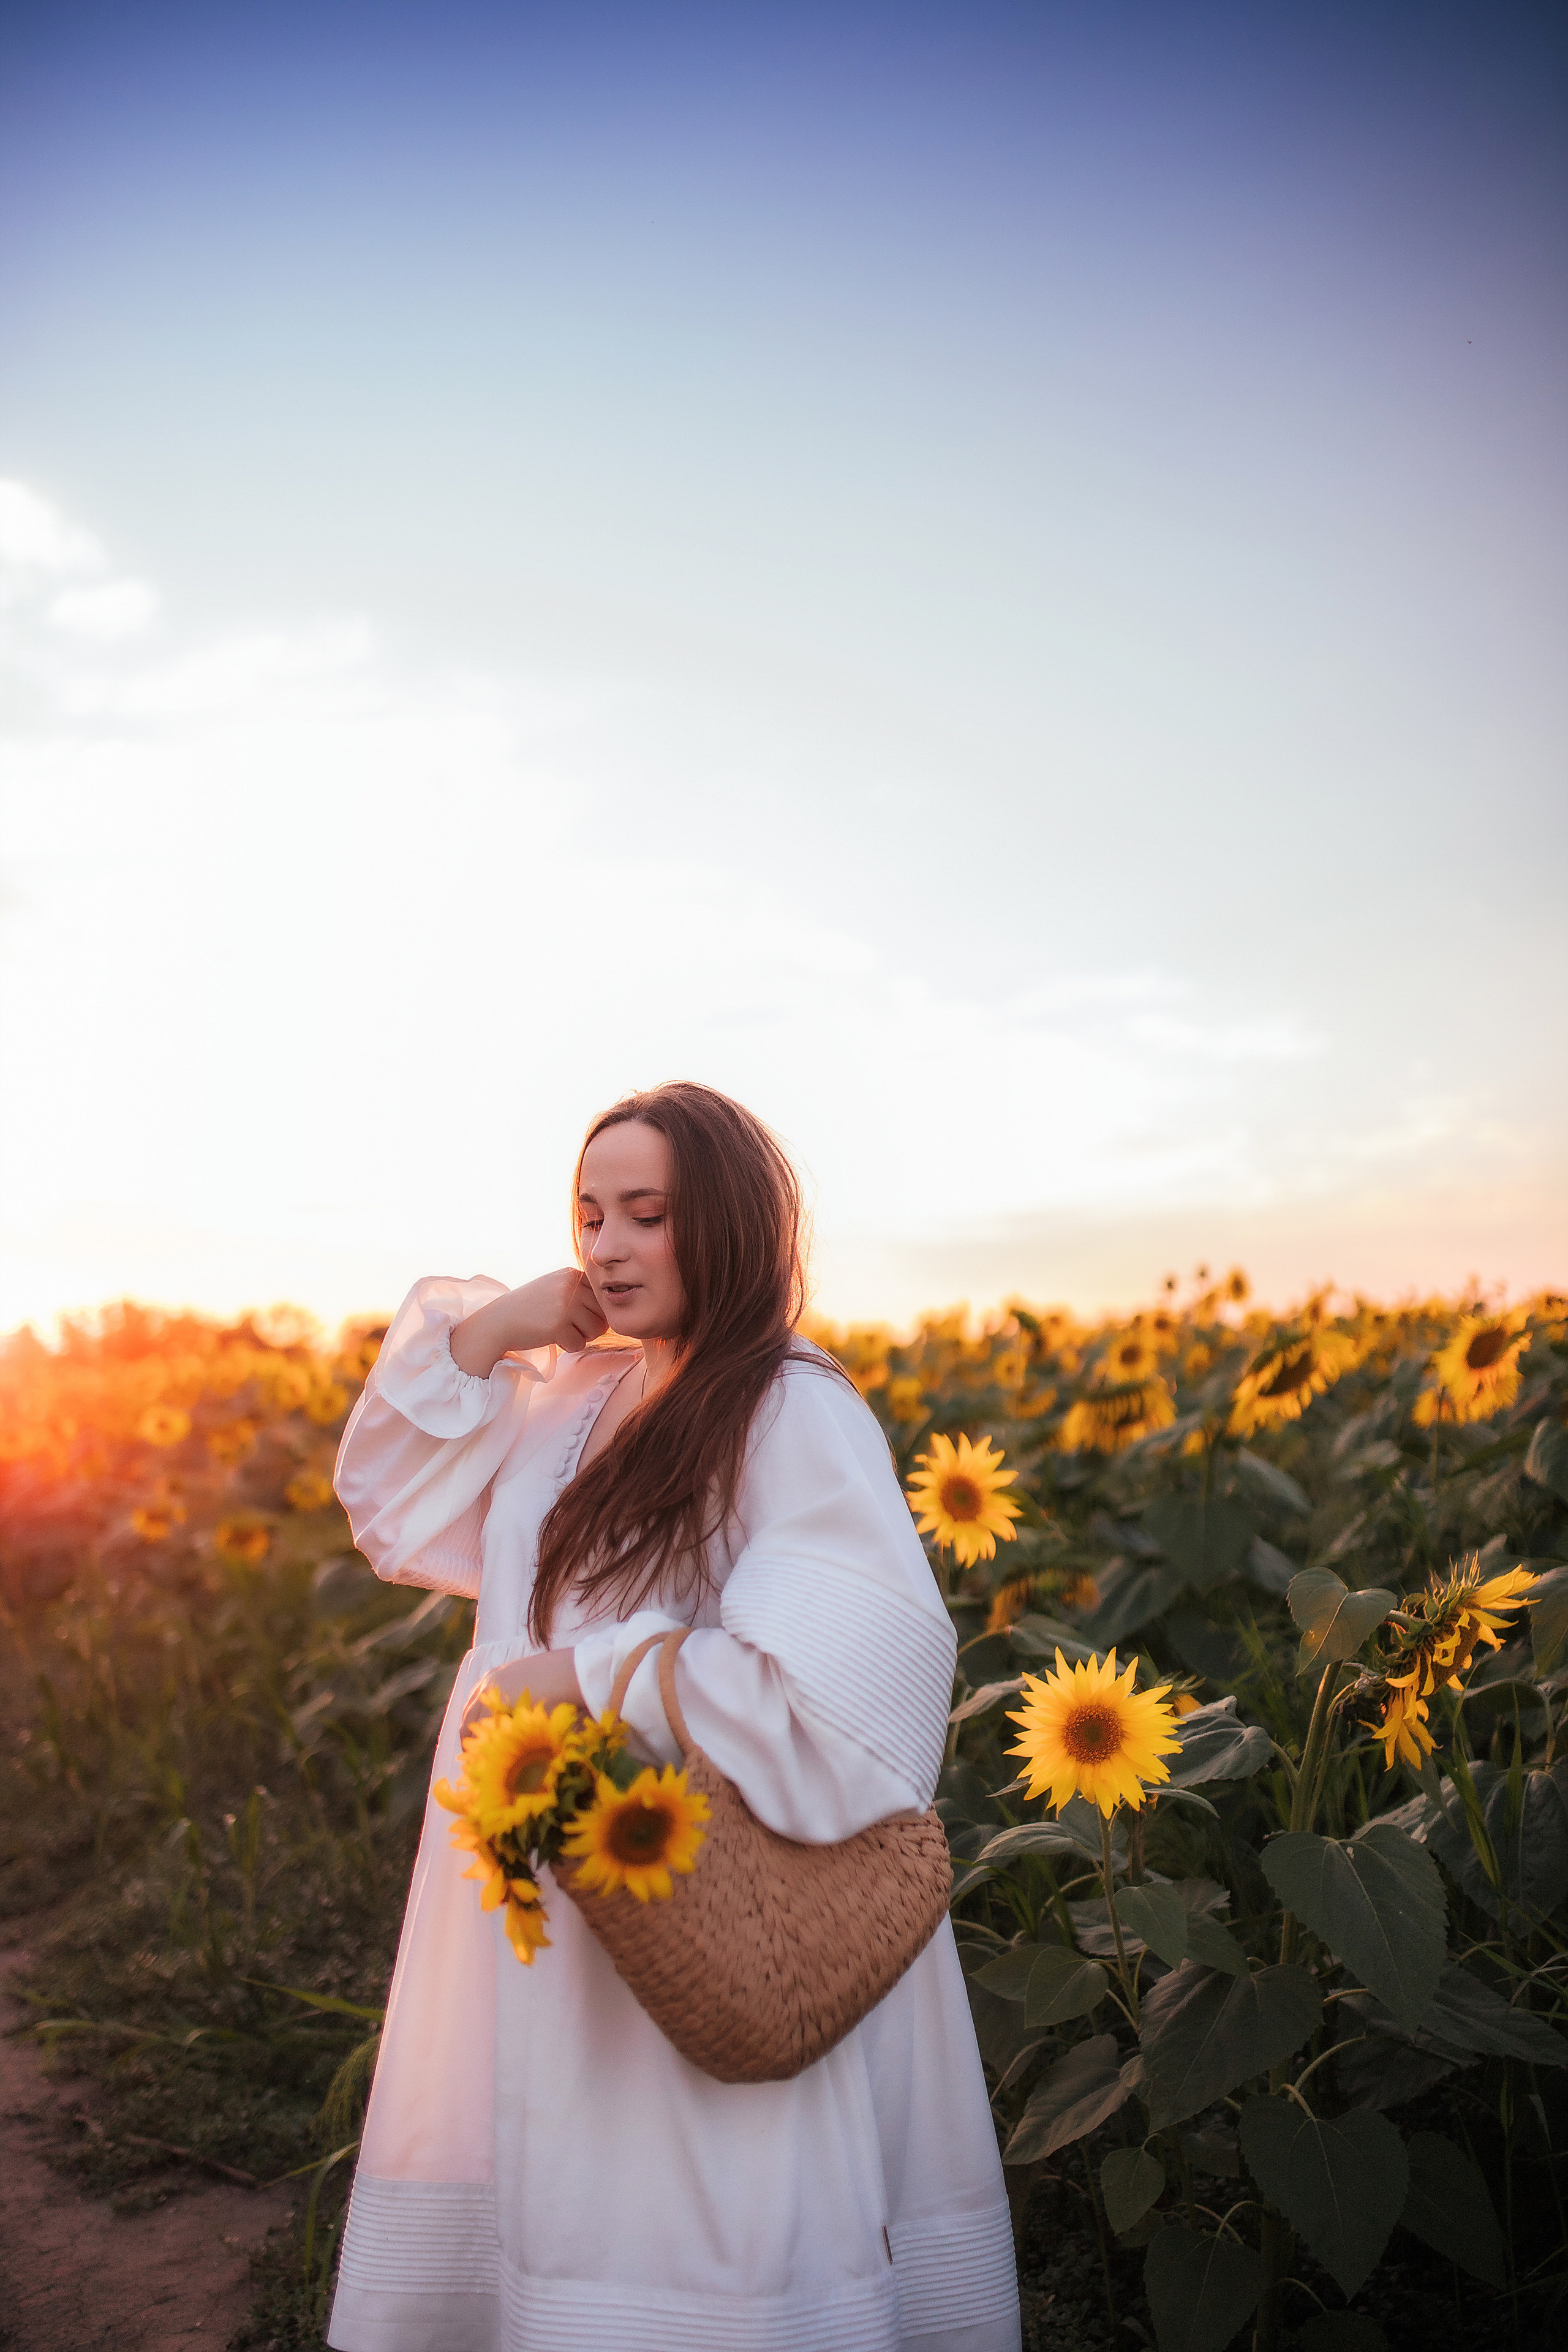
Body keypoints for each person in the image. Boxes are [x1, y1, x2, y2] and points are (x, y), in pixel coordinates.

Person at [326, 1081, 1020, 2352]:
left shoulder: (789, 1405)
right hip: (555, 1868)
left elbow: (844, 1686)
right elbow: (397, 1518)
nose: (605, 1245)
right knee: (547, 2159)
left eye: (646, 1214)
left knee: (700, 2195)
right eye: (589, 1214)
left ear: (731, 1224)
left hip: (701, 1864)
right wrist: (484, 1337)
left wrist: (582, 1685)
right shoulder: (576, 1400)